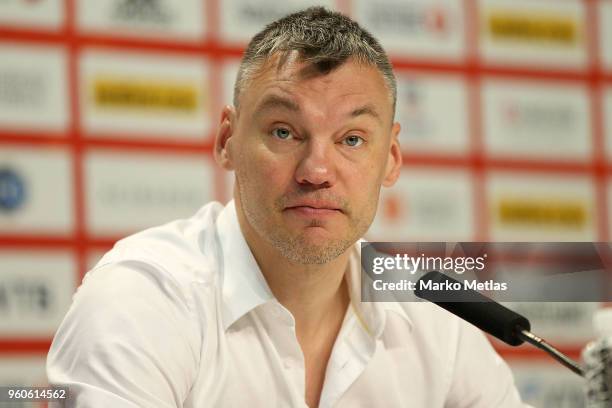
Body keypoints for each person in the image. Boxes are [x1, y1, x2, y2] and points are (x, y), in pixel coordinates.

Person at [47, 7, 529, 408]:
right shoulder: (143, 299)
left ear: (392, 159)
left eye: (352, 139)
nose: (317, 170)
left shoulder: (433, 316)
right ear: (227, 141)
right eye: (284, 131)